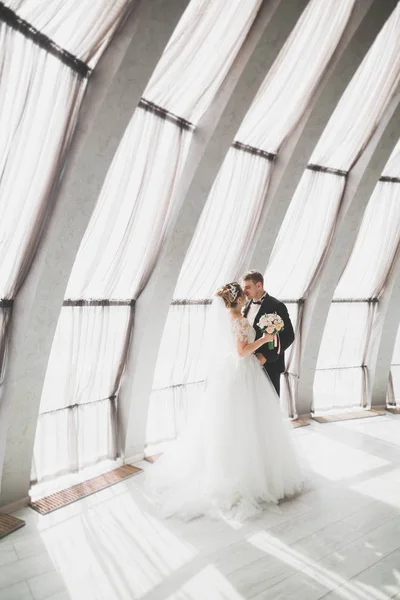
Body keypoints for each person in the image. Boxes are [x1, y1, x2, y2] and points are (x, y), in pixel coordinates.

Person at [144, 281, 303, 522]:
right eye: (243, 293)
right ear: (238, 299)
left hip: (241, 372)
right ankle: (247, 476)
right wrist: (264, 339)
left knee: (244, 422)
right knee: (244, 422)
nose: (246, 296)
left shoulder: (235, 317)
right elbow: (241, 351)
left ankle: (252, 471)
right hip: (244, 370)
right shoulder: (238, 319)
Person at [242, 270, 294, 396]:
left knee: (270, 406)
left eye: (248, 287)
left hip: (270, 365)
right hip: (249, 363)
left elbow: (289, 336)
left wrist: (266, 356)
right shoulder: (245, 306)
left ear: (259, 285)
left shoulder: (277, 306)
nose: (244, 291)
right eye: (244, 288)